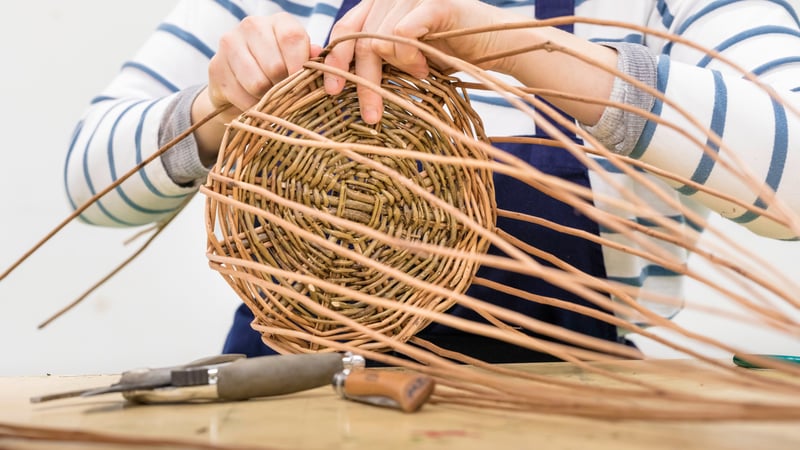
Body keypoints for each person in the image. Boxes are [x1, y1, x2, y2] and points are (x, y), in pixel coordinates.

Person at [64, 0, 800, 362]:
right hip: (291, 394)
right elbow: (85, 183)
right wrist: (214, 110)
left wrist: (514, 47)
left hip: (569, 410)